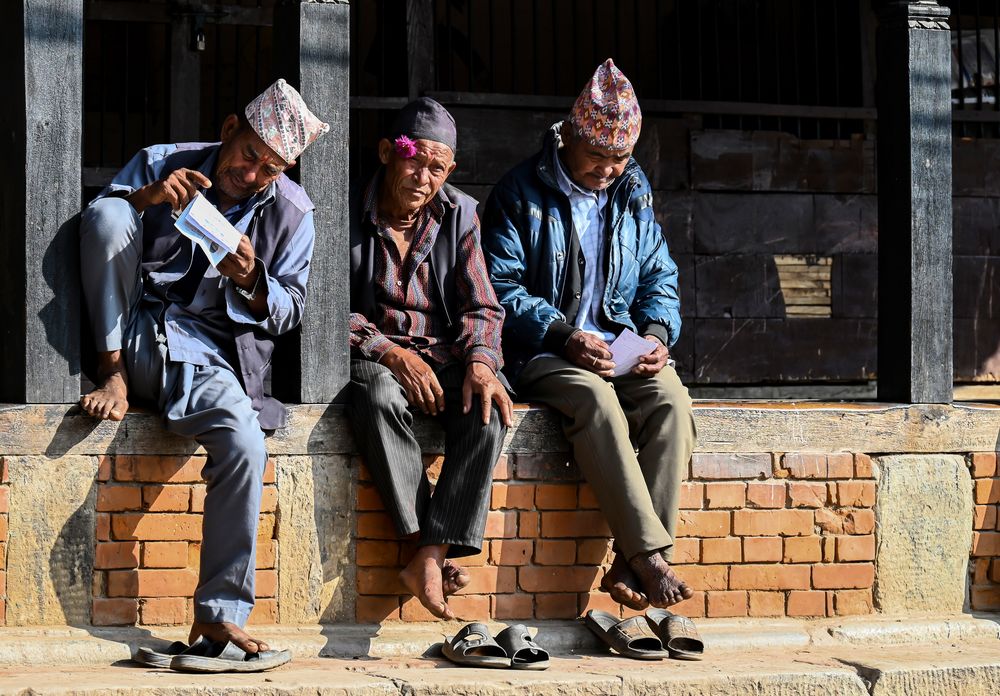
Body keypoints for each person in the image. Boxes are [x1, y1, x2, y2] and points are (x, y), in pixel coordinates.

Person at [78, 79, 327, 661]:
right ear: (228, 129)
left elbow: (291, 308)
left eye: (271, 168)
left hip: (211, 352)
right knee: (112, 216)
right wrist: (147, 198)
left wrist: (251, 277)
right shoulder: (165, 162)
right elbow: (96, 227)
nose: (253, 173)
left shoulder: (292, 211)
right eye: (248, 155)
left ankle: (219, 616)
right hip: (134, 327)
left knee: (244, 442)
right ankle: (109, 370)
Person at [482, 60, 696, 610]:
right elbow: (498, 284)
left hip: (617, 347)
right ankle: (649, 556)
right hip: (542, 349)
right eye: (597, 157)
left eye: (619, 159)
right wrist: (561, 333)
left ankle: (631, 565)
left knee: (671, 400)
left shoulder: (633, 190)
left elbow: (659, 273)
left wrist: (652, 333)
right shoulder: (520, 191)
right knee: (595, 398)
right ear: (570, 136)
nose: (608, 170)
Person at [349, 98, 513, 620]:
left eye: (437, 168)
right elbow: (324, 308)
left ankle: (429, 554)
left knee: (487, 412)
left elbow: (481, 303)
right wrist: (392, 354)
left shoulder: (459, 213)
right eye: (413, 161)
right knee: (374, 395)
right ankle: (427, 544)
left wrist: (482, 364)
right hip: (378, 351)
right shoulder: (344, 206)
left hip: (442, 353)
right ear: (385, 153)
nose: (423, 177)